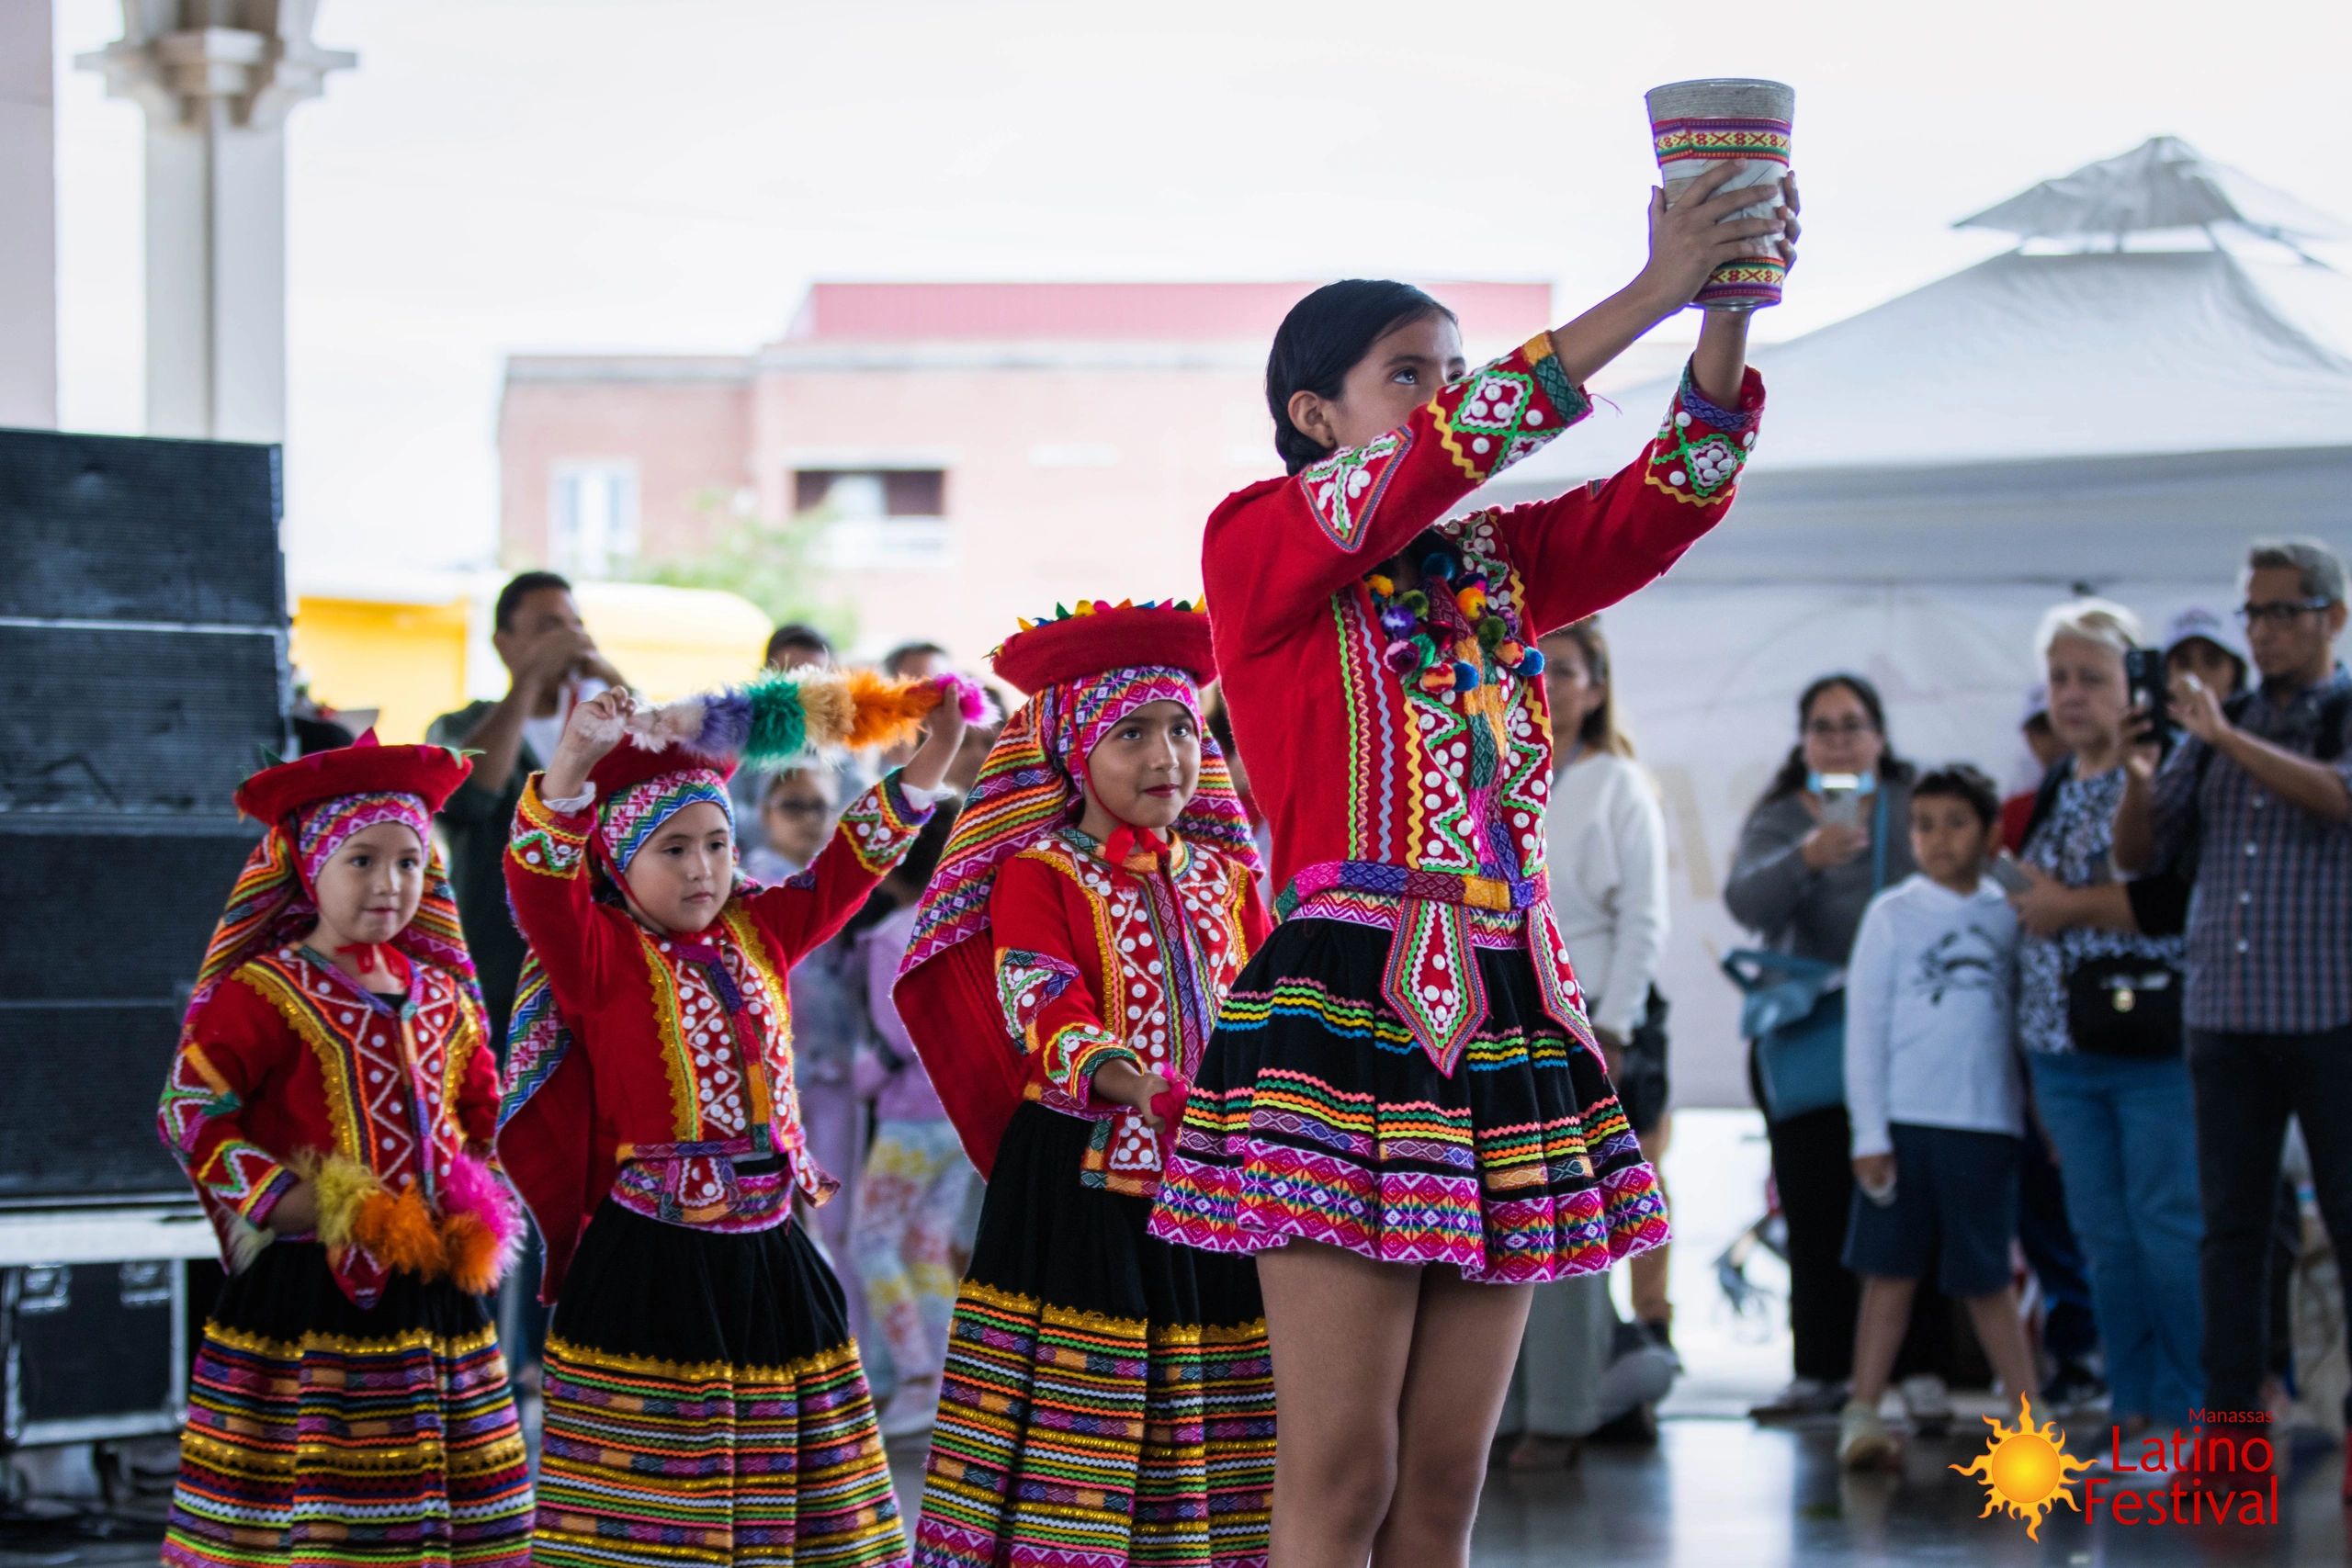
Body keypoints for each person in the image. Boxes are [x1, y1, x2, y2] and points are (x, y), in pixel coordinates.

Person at [1153, 153, 1794, 1568]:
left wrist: (1727, 310)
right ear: (1314, 413)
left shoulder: (1490, 567)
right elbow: (1455, 449)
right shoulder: (1256, 548)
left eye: (1453, 370)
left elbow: (1671, 496)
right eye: (1410, 374)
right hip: (1344, 1004)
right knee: (1341, 1465)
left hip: (1505, 1006)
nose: (1443, 399)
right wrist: (1651, 287)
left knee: (1447, 1477)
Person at [496, 669, 969, 1567]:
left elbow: (847, 867)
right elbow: (537, 887)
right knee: (661, 1513)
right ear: (619, 860)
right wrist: (570, 766)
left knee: (795, 1503)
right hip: (652, 1256)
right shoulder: (597, 953)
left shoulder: (761, 926)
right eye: (673, 850)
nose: (704, 868)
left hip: (770, 1249)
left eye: (716, 843)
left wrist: (932, 756)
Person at [895, 598, 1276, 1567]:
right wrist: (1128, 1080)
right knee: (1085, 1418)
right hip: (1082, 1179)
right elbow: (1043, 1004)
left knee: (1220, 1399)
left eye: (1184, 730)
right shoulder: (1037, 872)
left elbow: (1272, 1008)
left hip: (1215, 1175)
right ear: (1071, 752)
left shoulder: (1228, 879)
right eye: (1132, 734)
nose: (1167, 757)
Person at [157, 735, 529, 1568]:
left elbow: (481, 1111)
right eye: (361, 860)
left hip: (437, 1294)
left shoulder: (444, 998)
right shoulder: (264, 993)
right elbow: (190, 1110)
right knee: (313, 1514)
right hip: (306, 1297)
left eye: (408, 862)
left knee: (457, 1512)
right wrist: (295, 1200)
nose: (389, 884)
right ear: (308, 869)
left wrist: (481, 1193)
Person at [2115, 539, 2352, 1489]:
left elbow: (2339, 799)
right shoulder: (2226, 718)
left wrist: (2220, 740)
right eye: (2251, 614)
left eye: (2281, 612)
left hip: (2329, 1011)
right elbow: (2143, 856)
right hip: (2225, 1011)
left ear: (2331, 616)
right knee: (2229, 1232)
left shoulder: (2322, 716)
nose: (2260, 631)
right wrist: (2140, 772)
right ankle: (2229, 1438)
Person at [1726, 673, 1958, 1426]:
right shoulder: (1780, 818)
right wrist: (1807, 857)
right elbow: (1744, 901)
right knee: (1816, 1204)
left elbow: (1970, 875)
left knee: (1910, 1199)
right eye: (1823, 726)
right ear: (1803, 741)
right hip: (1812, 1043)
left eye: (1852, 724)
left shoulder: (1913, 802)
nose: (1837, 738)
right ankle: (1820, 1370)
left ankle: (1921, 1367)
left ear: (1880, 736)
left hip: (1906, 1040)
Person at [2010, 599, 2202, 1455]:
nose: (2072, 693)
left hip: (2147, 1040)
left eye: (2092, 676)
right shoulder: (2055, 778)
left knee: (2168, 1225)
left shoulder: (2163, 765)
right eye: (2059, 677)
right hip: (2060, 1045)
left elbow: (2156, 883)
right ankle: (2133, 1407)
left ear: (2133, 684)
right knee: (2103, 1236)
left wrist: (2060, 903)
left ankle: (2195, 1412)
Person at [1505, 617, 1678, 1470]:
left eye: (1568, 670)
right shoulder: (1495, 770)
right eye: (1539, 668)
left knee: (1568, 1223)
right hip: (1498, 1028)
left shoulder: (1618, 784)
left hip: (1586, 1032)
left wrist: (1609, 1026)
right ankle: (1500, 1418)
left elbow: (1645, 921)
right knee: (1500, 1219)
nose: (1552, 684)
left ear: (1597, 687)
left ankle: (1564, 1416)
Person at [1835, 765, 2035, 1468]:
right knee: (1889, 1272)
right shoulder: (1892, 913)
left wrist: (2011, 872)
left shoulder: (2010, 907)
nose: (1938, 838)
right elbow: (1865, 1028)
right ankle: (1862, 1411)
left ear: (1987, 831)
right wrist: (1869, 1130)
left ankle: (2029, 1417)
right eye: (1924, 824)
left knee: (1987, 1276)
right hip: (1904, 1121)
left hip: (1986, 1122)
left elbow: (2047, 910)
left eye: (1956, 822)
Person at [427, 571, 624, 1051]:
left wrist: (613, 678)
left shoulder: (601, 723)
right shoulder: (461, 726)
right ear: (503, 643)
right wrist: (530, 678)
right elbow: (468, 798)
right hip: (498, 965)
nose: (568, 638)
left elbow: (667, 777)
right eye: (547, 627)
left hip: (598, 960)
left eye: (575, 624)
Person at [848, 810, 972, 1438]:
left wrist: (862, 1075)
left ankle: (920, 1376)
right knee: (926, 1243)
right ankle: (953, 1384)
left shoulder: (890, 935)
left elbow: (899, 1039)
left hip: (907, 1116)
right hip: (958, 1115)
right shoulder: (967, 923)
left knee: (872, 1242)